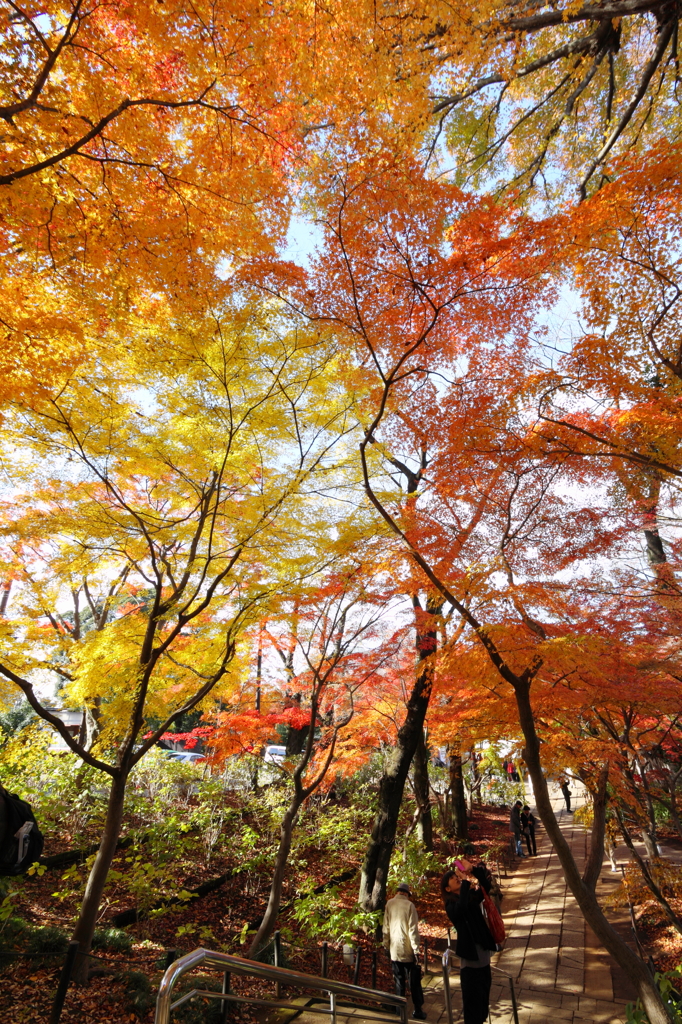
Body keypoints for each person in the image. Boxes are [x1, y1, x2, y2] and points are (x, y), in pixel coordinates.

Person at [441, 860, 497, 1024]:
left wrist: (473, 870)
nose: (455, 878)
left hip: (483, 953)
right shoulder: (450, 905)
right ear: (447, 889)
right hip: (470, 961)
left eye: (455, 875)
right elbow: (462, 907)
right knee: (472, 1002)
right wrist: (465, 882)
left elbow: (486, 886)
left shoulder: (470, 895)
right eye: (452, 878)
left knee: (484, 997)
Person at [383, 882, 426, 1019]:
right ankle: (417, 1010)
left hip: (395, 950)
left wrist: (386, 945)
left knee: (399, 981)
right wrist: (416, 949)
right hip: (407, 950)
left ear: (398, 892)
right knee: (414, 982)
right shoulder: (409, 905)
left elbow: (386, 928)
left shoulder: (389, 904)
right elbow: (413, 930)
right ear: (406, 894)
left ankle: (399, 1011)